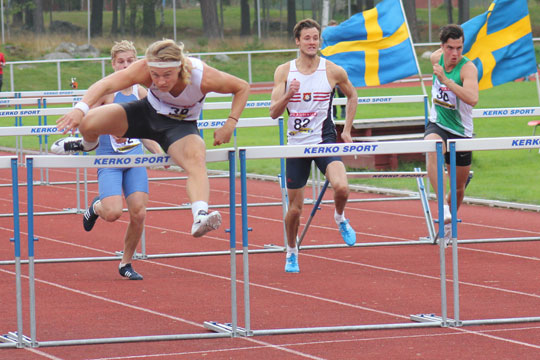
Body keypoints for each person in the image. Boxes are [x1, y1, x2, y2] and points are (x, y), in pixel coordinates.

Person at [51, 39, 250, 240]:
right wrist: (79, 108)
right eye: (155, 75)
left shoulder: (202, 76)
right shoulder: (144, 69)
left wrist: (230, 123)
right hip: (146, 114)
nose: (160, 81)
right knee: (89, 121)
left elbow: (241, 87)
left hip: (179, 127)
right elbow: (106, 84)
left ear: (180, 68)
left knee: (196, 157)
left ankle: (200, 215)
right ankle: (87, 143)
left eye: (167, 75)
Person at [269, 18, 358, 273]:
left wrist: (348, 130)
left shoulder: (332, 70)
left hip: (325, 139)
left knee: (341, 187)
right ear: (297, 41)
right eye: (307, 38)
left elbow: (352, 95)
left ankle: (340, 217)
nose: (312, 42)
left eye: (315, 38)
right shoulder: (284, 71)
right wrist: (288, 94)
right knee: (295, 210)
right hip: (296, 145)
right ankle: (291, 251)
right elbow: (273, 113)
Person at [80, 40, 164, 280]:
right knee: (113, 212)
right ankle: (96, 207)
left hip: (135, 159)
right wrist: (108, 127)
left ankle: (126, 263)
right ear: (113, 63)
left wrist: (159, 150)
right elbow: (88, 126)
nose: (126, 65)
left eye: (130, 61)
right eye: (121, 61)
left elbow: (149, 129)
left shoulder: (141, 92)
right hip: (109, 160)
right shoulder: (106, 91)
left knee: (138, 213)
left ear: (136, 62)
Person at [424, 24, 478, 245]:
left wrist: (446, 81)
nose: (455, 53)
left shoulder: (468, 69)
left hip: (462, 132)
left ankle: (448, 218)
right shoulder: (436, 58)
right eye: (450, 48)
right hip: (438, 125)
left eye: (459, 48)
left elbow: (472, 98)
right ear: (442, 47)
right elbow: (435, 59)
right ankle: (443, 208)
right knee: (432, 147)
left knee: (457, 188)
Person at [326, 20, 345, 120]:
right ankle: (333, 113)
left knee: (342, 91)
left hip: (340, 69)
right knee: (331, 93)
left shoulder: (341, 43)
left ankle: (343, 109)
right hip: (330, 72)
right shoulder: (327, 44)